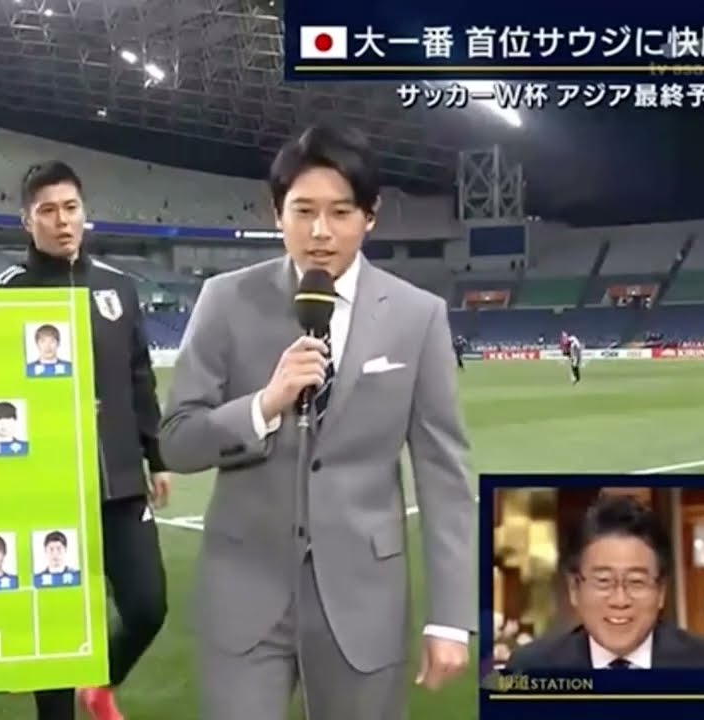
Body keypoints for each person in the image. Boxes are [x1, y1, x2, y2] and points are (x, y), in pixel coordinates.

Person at [159, 125, 475, 720]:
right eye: (303, 211)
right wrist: (264, 404)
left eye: (340, 212)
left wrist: (451, 617)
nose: (320, 231)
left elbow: (444, 474)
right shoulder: (225, 300)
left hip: (363, 600)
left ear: (370, 216)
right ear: (276, 213)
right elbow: (176, 442)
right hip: (244, 593)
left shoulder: (418, 316)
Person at [0, 161, 170, 720]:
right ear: (27, 221)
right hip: (46, 489)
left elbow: (139, 377)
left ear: (84, 213)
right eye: (47, 211)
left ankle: (100, 683)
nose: (62, 221)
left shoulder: (118, 288)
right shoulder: (4, 294)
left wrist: (157, 457)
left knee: (147, 606)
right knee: (56, 630)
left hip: (119, 480)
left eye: (70, 208)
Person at [504, 494, 704, 670]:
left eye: (636, 582)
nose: (619, 600)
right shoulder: (531, 669)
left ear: (661, 592)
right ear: (574, 589)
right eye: (603, 581)